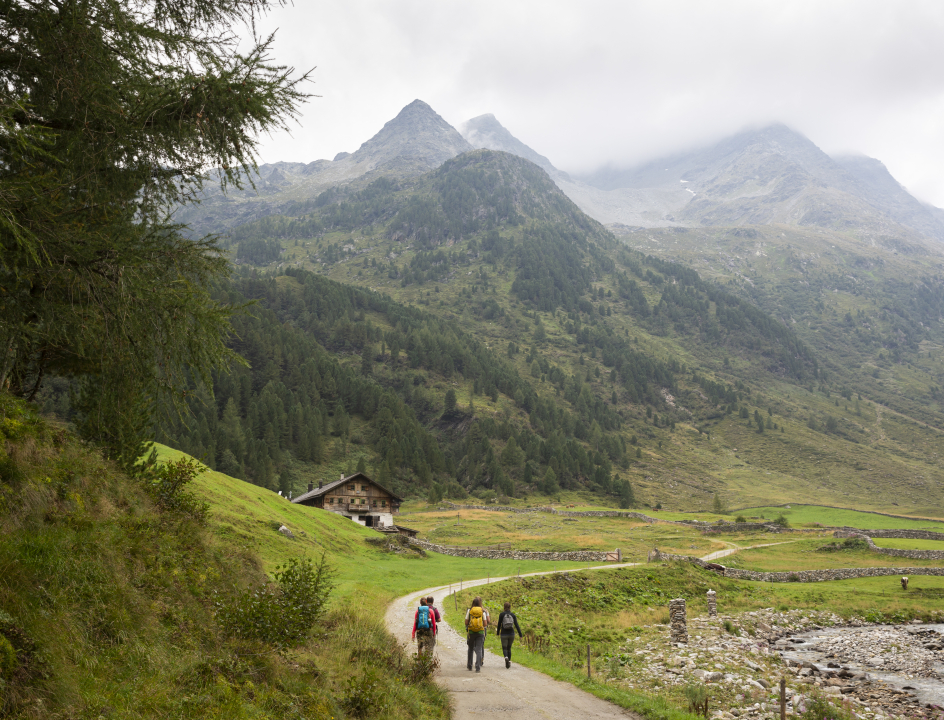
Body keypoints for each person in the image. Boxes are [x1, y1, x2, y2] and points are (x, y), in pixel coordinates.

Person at [495, 602, 523, 668]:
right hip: (511, 634)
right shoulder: (513, 615)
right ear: (510, 607)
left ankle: (506, 657)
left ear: (504, 607)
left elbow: (499, 624)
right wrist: (520, 634)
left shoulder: (501, 614)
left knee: (504, 648)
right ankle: (509, 661)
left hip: (504, 633)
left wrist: (498, 633)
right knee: (509, 648)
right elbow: (516, 625)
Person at [464, 597, 488, 672]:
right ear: (480, 603)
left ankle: (469, 665)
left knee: (470, 648)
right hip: (480, 632)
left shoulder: (469, 611)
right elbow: (485, 624)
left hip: (471, 632)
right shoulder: (482, 611)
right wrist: (479, 627)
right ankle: (478, 667)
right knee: (479, 649)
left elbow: (466, 622)